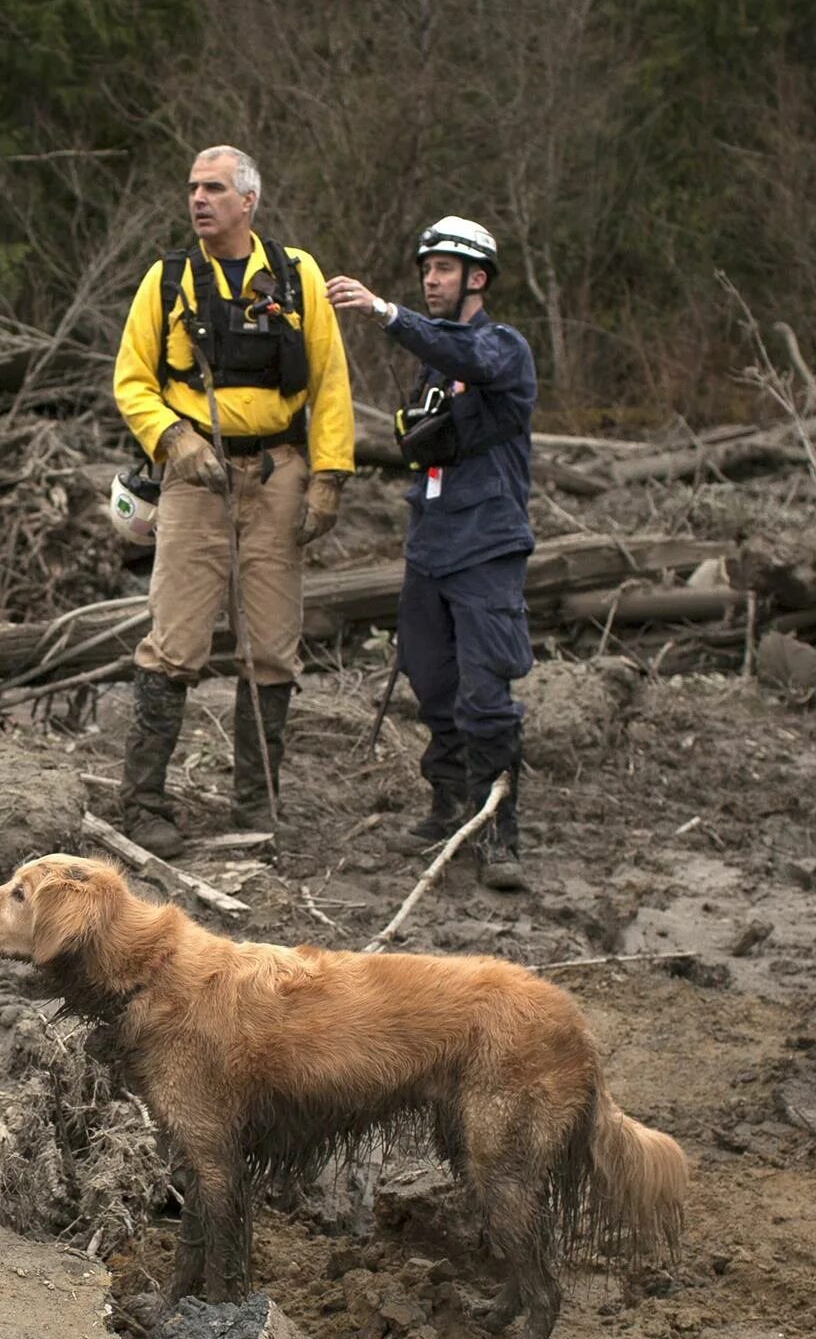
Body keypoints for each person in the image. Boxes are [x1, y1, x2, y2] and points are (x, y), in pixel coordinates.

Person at [110, 146, 355, 855]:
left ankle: (257, 806)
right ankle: (144, 806)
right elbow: (131, 380)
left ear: (248, 200)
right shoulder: (166, 280)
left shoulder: (296, 275)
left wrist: (329, 477)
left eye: (214, 188)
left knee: (274, 647)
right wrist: (171, 440)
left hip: (279, 475)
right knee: (174, 641)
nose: (198, 199)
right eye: (191, 187)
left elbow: (332, 381)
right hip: (194, 480)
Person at [326, 217, 537, 891]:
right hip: (430, 550)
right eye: (426, 270)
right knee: (433, 684)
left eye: (445, 269)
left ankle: (499, 831)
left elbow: (466, 356)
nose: (431, 279)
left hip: (487, 548)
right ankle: (448, 806)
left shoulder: (503, 350)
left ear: (477, 277)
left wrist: (386, 311)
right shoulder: (433, 369)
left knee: (486, 695)